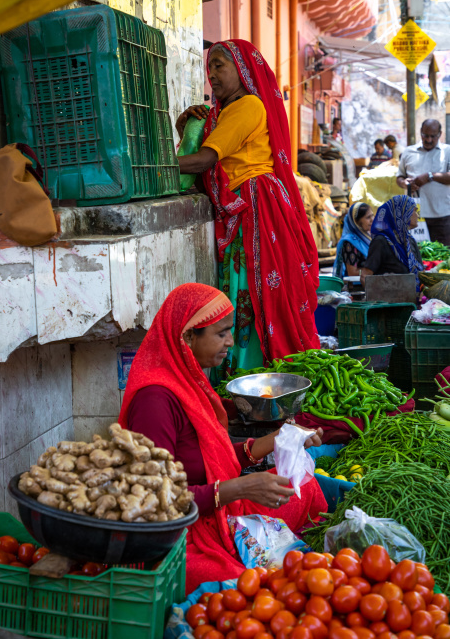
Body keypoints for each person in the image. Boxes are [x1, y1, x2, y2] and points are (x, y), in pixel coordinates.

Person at [119, 283, 327, 593]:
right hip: (181, 534)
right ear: (188, 336)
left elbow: (209, 455)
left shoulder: (189, 379)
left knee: (305, 488)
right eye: (221, 334)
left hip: (221, 513)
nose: (230, 341)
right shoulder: (155, 401)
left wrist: (280, 438)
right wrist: (241, 487)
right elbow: (154, 498)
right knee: (236, 583)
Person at [176, 40, 320, 375]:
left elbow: (206, 160)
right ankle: (247, 373)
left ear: (241, 70)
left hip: (257, 211)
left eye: (220, 65)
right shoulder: (225, 112)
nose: (212, 74)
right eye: (209, 67)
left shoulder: (247, 106)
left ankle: (250, 373)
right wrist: (185, 127)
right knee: (245, 291)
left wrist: (148, 166)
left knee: (251, 292)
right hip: (248, 208)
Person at [396, 119, 450, 246]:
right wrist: (405, 183)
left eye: (433, 136)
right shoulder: (408, 152)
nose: (429, 140)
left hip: (442, 216)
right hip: (415, 217)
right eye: (425, 135)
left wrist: (430, 176)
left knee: (443, 257)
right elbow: (400, 177)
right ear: (421, 132)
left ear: (440, 134)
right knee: (417, 255)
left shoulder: (447, 151)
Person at [361, 196, 423, 288]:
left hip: (412, 298)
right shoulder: (381, 242)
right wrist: (378, 299)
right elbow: (365, 276)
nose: (417, 215)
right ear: (402, 213)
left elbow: (422, 273)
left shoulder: (410, 240)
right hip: (389, 300)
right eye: (414, 211)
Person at [333, 202, 374, 279]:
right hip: (357, 286)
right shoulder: (350, 242)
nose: (372, 220)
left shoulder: (369, 237)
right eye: (368, 217)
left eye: (372, 215)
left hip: (370, 283)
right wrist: (373, 270)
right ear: (356, 222)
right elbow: (352, 272)